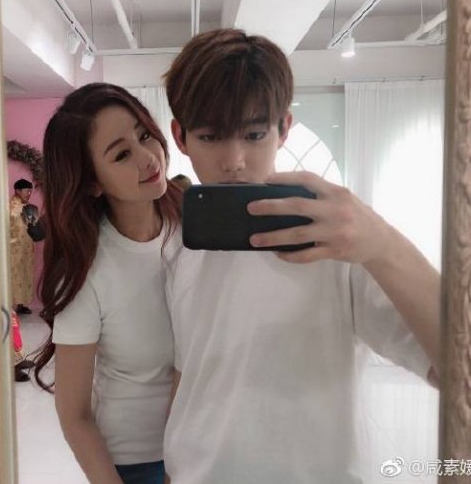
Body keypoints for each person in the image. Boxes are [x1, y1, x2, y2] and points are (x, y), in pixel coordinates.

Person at [161, 28, 444, 483]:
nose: (234, 160)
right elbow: (190, 375)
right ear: (180, 136)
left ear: (284, 129)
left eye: (254, 134)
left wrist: (384, 245)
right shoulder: (176, 244)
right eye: (211, 136)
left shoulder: (339, 241)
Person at [33, 83, 182, 484]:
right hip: (138, 461)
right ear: (92, 182)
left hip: (208, 445)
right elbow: (74, 415)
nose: (147, 157)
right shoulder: (87, 271)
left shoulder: (193, 228)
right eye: (121, 154)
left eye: (144, 135)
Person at [9, 178, 36, 315]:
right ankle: (9, 306)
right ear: (18, 191)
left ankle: (20, 305)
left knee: (24, 276)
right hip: (13, 249)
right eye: (27, 191)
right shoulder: (11, 207)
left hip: (26, 249)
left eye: (30, 191)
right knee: (13, 276)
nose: (29, 193)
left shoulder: (29, 207)